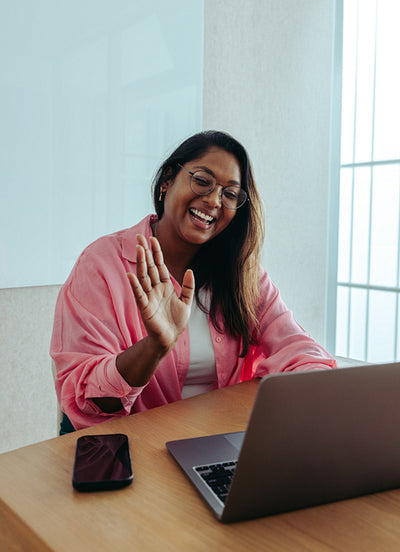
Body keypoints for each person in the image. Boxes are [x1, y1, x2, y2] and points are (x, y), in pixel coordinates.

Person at [50, 130, 336, 433]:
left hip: (217, 443)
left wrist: (323, 390)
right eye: (202, 181)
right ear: (167, 180)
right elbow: (88, 403)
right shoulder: (101, 265)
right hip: (135, 449)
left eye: (229, 194)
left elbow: (297, 348)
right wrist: (154, 347)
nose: (213, 200)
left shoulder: (242, 273)